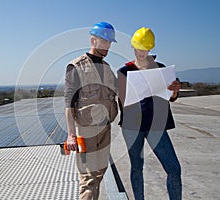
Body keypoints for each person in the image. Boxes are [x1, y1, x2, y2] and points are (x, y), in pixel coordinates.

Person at [117, 27, 182, 200]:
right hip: (132, 127)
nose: (141, 52)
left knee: (174, 168)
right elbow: (122, 103)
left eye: (144, 49)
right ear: (133, 47)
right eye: (138, 48)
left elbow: (171, 97)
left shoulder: (162, 69)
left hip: (156, 126)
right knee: (137, 166)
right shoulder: (124, 72)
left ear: (150, 48)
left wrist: (174, 91)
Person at [64, 22, 118, 200]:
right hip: (85, 130)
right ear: (93, 40)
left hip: (105, 129)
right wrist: (71, 135)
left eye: (110, 43)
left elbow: (119, 94)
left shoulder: (108, 69)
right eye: (104, 42)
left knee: (100, 172)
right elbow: (69, 103)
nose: (107, 46)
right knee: (88, 178)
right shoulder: (76, 66)